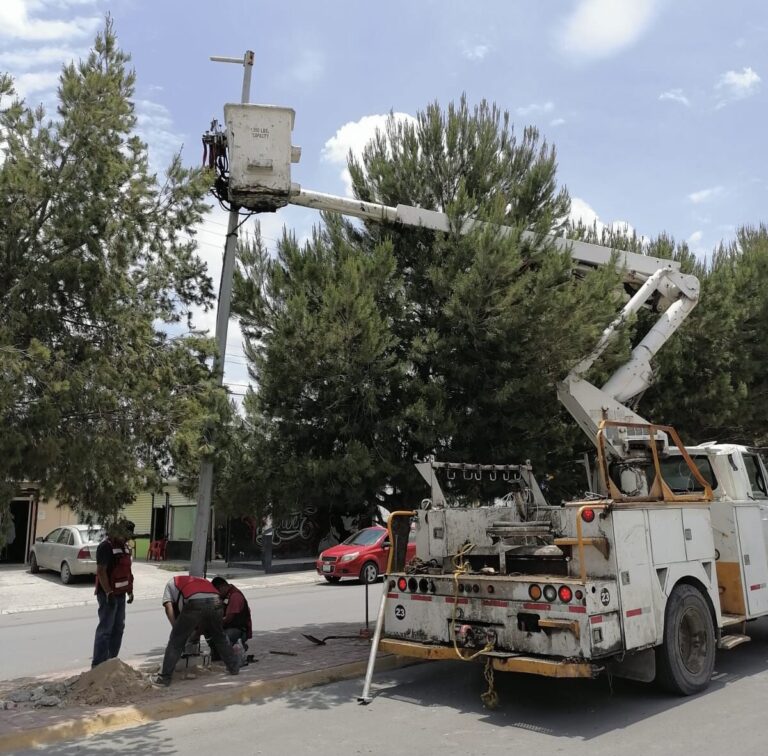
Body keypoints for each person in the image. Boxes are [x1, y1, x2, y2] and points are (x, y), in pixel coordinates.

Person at [150, 575, 239, 687]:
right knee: (219, 636)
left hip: (194, 602)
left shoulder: (170, 585)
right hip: (216, 601)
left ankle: (164, 678)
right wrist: (196, 633)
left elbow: (169, 608)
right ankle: (234, 667)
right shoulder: (199, 580)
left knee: (175, 641)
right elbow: (204, 617)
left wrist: (176, 628)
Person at [92, 521, 134, 667]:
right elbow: (101, 571)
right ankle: (98, 665)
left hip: (121, 594)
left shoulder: (126, 548)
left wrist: (130, 590)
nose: (127, 539)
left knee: (119, 628)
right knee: (105, 630)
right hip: (107, 595)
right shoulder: (105, 547)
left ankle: (111, 662)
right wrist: (109, 593)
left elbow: (128, 571)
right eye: (125, 536)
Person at [209, 577, 252, 655]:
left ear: (222, 587)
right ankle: (217, 651)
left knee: (223, 637)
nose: (217, 594)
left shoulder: (235, 596)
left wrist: (215, 623)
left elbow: (228, 618)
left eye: (217, 591)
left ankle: (237, 647)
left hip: (238, 629)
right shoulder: (224, 596)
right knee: (208, 631)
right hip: (227, 626)